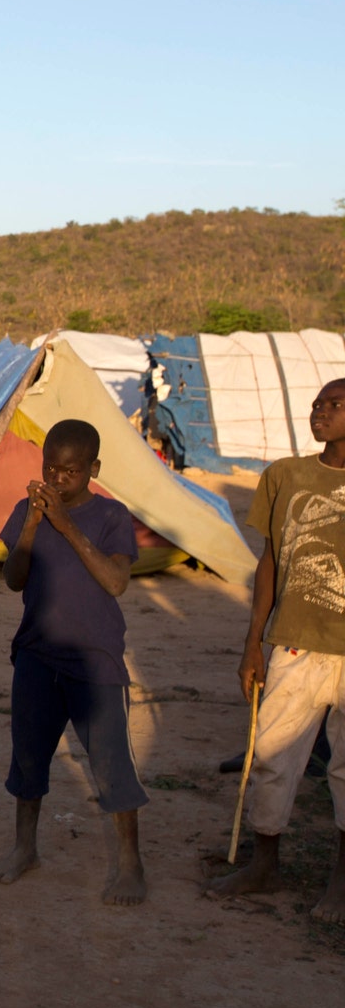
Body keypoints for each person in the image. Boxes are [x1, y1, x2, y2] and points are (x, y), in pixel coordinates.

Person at [0, 419, 148, 906]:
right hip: (38, 653)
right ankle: (24, 849)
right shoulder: (25, 512)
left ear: (93, 469)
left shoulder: (111, 516)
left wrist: (64, 523)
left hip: (94, 660)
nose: (57, 480)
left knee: (111, 763)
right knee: (29, 757)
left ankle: (130, 864)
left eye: (70, 471)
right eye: (50, 469)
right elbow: (15, 579)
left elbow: (115, 581)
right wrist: (36, 524)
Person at [206, 378, 345, 922]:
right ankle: (265, 864)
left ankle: (340, 882)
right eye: (316, 406)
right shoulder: (285, 476)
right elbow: (269, 564)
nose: (320, 413)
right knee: (271, 757)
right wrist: (252, 644)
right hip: (293, 643)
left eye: (334, 406)